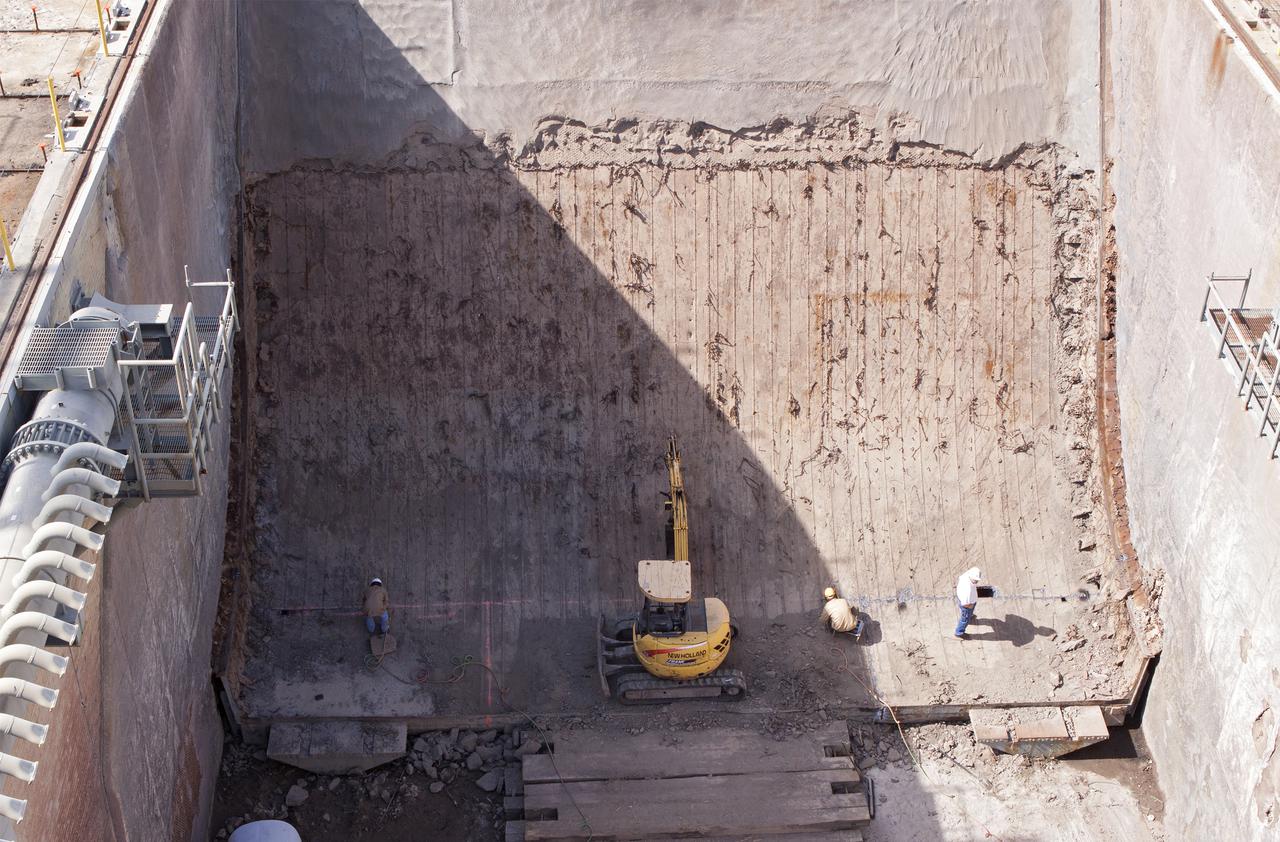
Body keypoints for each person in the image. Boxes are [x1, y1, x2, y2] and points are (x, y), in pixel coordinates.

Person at [954, 567, 981, 638]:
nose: (976, 581)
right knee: (965, 619)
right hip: (967, 605)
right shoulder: (967, 590)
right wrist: (971, 605)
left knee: (969, 614)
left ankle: (970, 616)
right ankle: (959, 632)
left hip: (968, 600)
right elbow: (965, 604)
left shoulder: (966, 575)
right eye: (975, 580)